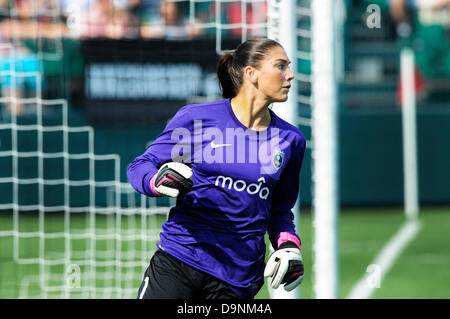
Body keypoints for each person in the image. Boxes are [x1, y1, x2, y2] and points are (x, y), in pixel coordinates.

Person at [127, 38, 306, 299]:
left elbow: (279, 210)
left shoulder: (291, 140)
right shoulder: (197, 119)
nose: (290, 74)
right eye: (281, 66)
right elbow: (140, 166)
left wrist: (288, 245)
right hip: (180, 260)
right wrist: (156, 181)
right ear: (251, 73)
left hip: (238, 279)